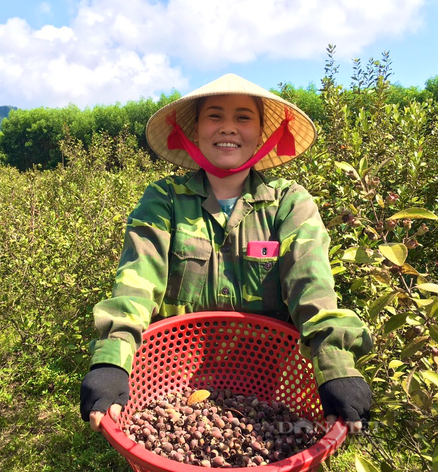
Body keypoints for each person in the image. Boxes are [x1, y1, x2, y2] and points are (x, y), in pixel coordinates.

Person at [80, 73, 372, 435]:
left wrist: (336, 367)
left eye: (243, 118)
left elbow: (311, 286)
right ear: (195, 131)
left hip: (264, 384)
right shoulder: (164, 199)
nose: (228, 128)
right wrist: (112, 360)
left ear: (263, 133)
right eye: (214, 116)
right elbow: (138, 282)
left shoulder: (290, 203)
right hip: (170, 383)